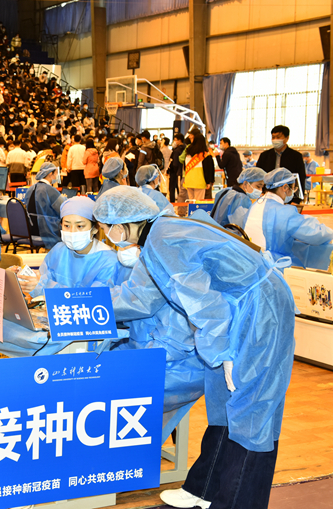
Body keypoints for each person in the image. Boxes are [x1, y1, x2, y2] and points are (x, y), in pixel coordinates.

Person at [93, 186, 296, 509]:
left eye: (107, 226)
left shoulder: (161, 238)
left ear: (125, 221)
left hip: (259, 312)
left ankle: (236, 502)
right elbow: (146, 298)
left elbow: (203, 303)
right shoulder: (161, 233)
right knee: (224, 404)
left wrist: (222, 351)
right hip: (237, 313)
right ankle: (206, 490)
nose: (107, 234)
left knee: (251, 411)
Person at [16, 196, 123, 297]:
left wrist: (45, 288)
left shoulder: (109, 262)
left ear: (95, 228)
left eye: (80, 226)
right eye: (67, 225)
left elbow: (92, 299)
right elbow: (42, 278)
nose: (72, 232)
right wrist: (24, 277)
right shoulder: (58, 251)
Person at [243, 168, 333, 269]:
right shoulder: (284, 212)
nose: (293, 192)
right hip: (272, 267)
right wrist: (330, 232)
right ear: (285, 187)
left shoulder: (255, 205)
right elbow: (315, 234)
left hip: (250, 262)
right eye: (293, 188)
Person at [255, 125, 305, 203]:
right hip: (267, 196)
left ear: (287, 138)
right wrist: (259, 192)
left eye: (278, 137)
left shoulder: (296, 156)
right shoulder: (265, 156)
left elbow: (300, 178)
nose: (275, 140)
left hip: (287, 197)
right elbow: (258, 176)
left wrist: (297, 200)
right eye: (273, 137)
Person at [24, 162, 64, 249]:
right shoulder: (51, 191)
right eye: (56, 173)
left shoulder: (30, 189)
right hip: (48, 231)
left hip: (31, 231)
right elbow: (63, 210)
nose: (57, 176)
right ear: (50, 174)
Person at [180, 129, 212, 201]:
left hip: (189, 181)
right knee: (198, 203)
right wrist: (208, 182)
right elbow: (207, 170)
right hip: (200, 182)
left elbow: (185, 167)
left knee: (191, 202)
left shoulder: (188, 153)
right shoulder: (205, 155)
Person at [168, 133, 185, 203]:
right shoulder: (185, 148)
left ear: (179, 140)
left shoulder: (177, 150)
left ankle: (173, 202)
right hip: (183, 171)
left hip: (175, 172)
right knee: (181, 189)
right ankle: (181, 202)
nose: (174, 142)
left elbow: (174, 163)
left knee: (172, 188)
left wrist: (170, 170)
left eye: (175, 140)